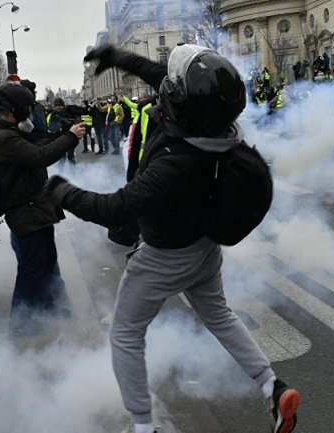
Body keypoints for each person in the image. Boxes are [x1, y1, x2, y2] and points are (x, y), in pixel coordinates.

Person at [45, 43, 301, 433]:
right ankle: (272, 387)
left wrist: (60, 191)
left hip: (165, 255)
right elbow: (157, 75)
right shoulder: (217, 128)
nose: (164, 84)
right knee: (219, 314)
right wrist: (116, 56)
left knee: (126, 335)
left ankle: (144, 426)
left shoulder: (176, 164)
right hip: (205, 247)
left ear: (179, 102)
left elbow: (113, 209)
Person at [0, 82, 86, 332]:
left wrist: (61, 133)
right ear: (15, 110)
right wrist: (70, 137)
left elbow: (40, 144)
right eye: (27, 109)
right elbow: (40, 156)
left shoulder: (12, 131)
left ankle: (46, 308)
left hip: (36, 209)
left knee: (46, 262)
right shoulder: (5, 138)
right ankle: (20, 323)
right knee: (31, 268)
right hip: (24, 211)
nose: (30, 113)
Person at [47, 97, 78, 173]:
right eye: (56, 106)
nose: (58, 107)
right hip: (59, 140)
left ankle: (74, 175)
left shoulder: (68, 113)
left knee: (71, 157)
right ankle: (61, 175)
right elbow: (51, 128)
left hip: (70, 138)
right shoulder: (52, 115)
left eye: (60, 105)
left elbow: (75, 123)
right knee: (61, 158)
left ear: (63, 106)